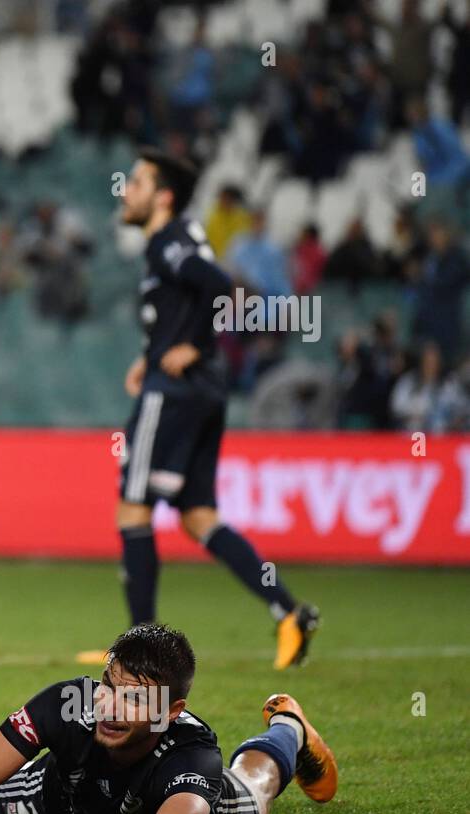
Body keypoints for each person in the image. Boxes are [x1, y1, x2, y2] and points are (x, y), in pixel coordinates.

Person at [114, 149, 319, 669]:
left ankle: (139, 649)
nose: (125, 190)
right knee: (200, 516)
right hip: (205, 390)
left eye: (136, 182)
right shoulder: (181, 237)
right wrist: (152, 352)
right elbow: (188, 300)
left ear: (162, 196)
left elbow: (216, 283)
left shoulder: (168, 243)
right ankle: (288, 610)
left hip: (177, 389)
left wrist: (193, 348)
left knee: (133, 507)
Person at [0, 624, 338, 814]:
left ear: (172, 711)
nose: (111, 708)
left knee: (255, 787)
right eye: (108, 686)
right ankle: (0, 743)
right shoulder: (71, 702)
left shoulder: (192, 752)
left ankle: (289, 727)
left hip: (177, 801)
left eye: (135, 698)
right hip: (60, 796)